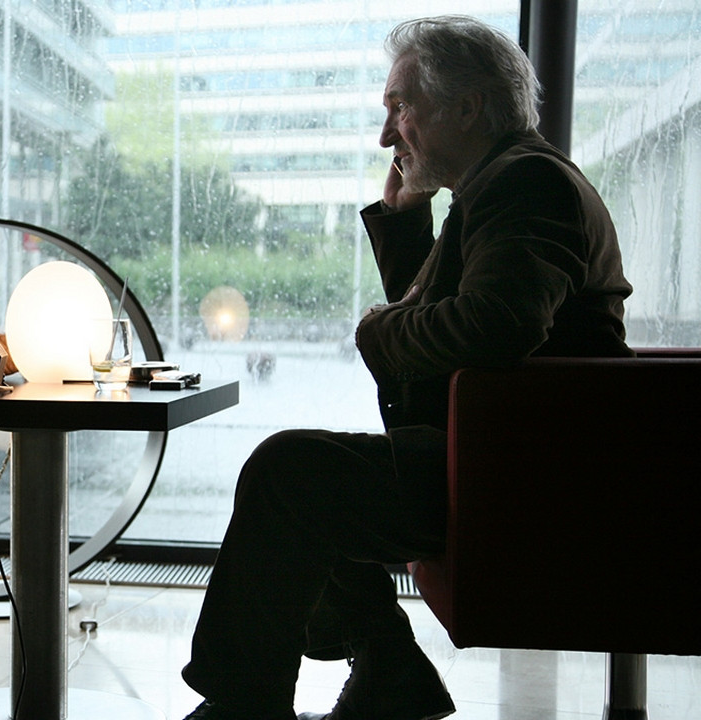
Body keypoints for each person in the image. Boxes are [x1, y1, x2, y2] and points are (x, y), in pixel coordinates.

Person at [180, 15, 633, 720]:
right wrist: (405, 224)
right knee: (317, 472)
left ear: (467, 106)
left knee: (288, 474)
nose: (388, 136)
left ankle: (247, 705)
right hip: (505, 457)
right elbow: (451, 326)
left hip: (519, 476)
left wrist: (376, 331)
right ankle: (389, 668)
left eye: (400, 108)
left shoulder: (525, 186)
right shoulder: (500, 184)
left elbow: (493, 328)